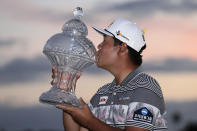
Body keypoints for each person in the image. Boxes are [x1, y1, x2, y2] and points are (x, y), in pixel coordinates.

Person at [53, 18, 168, 131]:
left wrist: (89, 121)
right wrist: (66, 92)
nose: (99, 46)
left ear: (122, 47)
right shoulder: (103, 92)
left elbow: (89, 122)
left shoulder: (145, 86)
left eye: (104, 41)